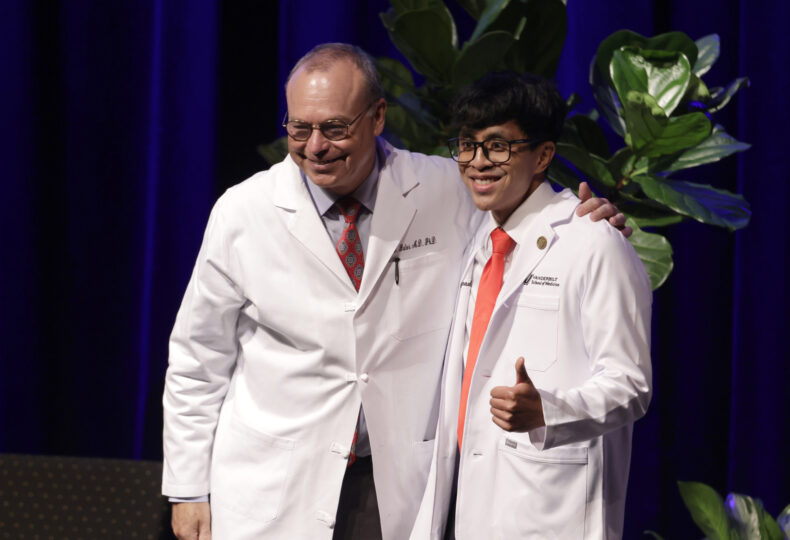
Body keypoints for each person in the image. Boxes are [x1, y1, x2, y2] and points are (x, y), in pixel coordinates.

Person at [162, 44, 626, 540]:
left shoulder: (447, 187)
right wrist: (188, 489)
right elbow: (198, 359)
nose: (315, 146)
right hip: (272, 482)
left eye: (335, 128)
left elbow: (529, 214)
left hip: (393, 484)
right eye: (299, 128)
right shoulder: (243, 211)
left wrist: (589, 225)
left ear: (378, 116)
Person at [410, 72, 652, 539]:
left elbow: (632, 383)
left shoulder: (593, 242)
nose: (478, 162)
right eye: (467, 144)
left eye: (498, 146)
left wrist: (549, 411)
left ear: (543, 155)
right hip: (463, 499)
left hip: (547, 508)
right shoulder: (479, 235)